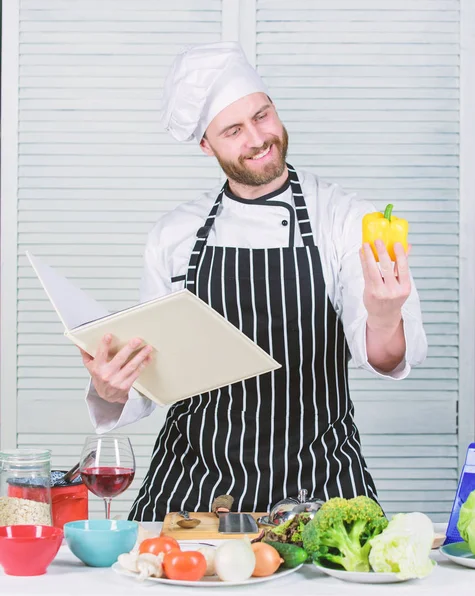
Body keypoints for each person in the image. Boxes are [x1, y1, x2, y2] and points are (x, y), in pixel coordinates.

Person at [81, 42, 427, 521]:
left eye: (262, 115)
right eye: (234, 130)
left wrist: (386, 314)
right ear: (207, 145)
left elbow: (386, 359)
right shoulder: (174, 235)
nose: (258, 138)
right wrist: (111, 388)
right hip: (192, 487)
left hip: (321, 483)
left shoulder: (345, 219)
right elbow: (152, 377)